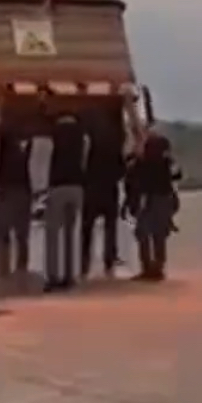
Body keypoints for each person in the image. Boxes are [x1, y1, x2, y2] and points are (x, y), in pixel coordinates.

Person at [124, 131, 180, 281]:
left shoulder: (140, 162)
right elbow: (177, 175)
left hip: (148, 200)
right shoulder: (167, 162)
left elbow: (131, 178)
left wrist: (129, 203)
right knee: (159, 235)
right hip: (163, 199)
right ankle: (158, 267)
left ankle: (148, 267)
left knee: (143, 233)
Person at [80, 107, 124, 279]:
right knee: (110, 228)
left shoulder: (91, 144)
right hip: (109, 189)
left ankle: (84, 263)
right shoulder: (114, 145)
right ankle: (109, 262)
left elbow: (83, 166)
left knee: (87, 228)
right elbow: (121, 170)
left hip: (91, 189)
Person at [44, 113, 87, 290]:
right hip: (77, 187)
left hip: (58, 187)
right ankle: (70, 276)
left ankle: (53, 277)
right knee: (71, 234)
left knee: (52, 234)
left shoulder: (56, 134)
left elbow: (42, 121)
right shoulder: (82, 138)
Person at [0, 110, 33, 283]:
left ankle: (4, 271)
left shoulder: (6, 147)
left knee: (4, 234)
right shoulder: (24, 150)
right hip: (22, 191)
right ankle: (20, 269)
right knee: (21, 235)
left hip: (8, 191)